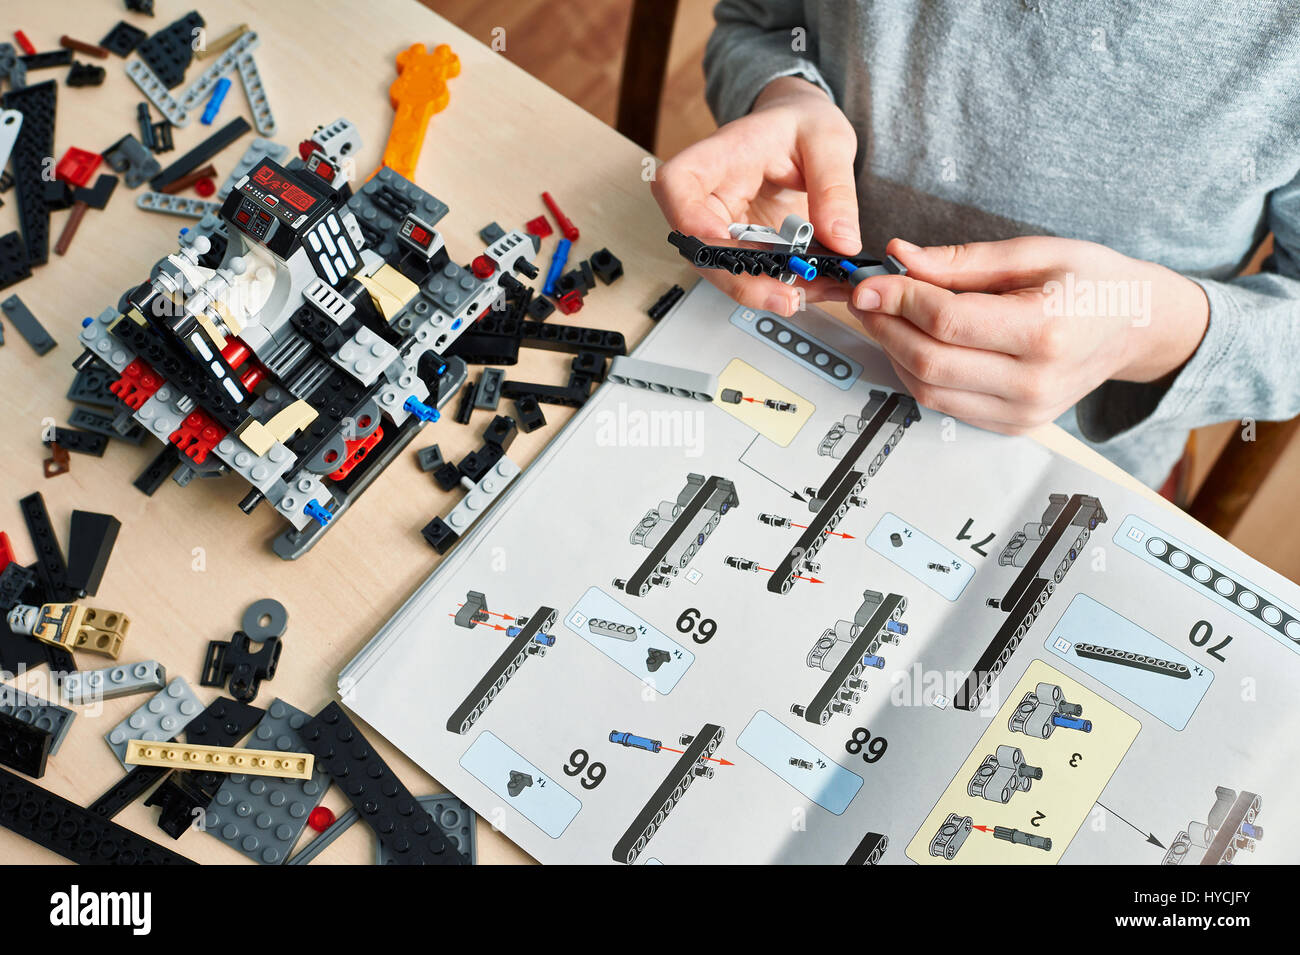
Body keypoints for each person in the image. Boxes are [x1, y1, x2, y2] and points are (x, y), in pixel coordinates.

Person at [651, 0, 1300, 489]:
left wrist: (1141, 329)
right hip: (786, 343)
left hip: (1070, 466)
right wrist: (781, 95)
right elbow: (757, 20)